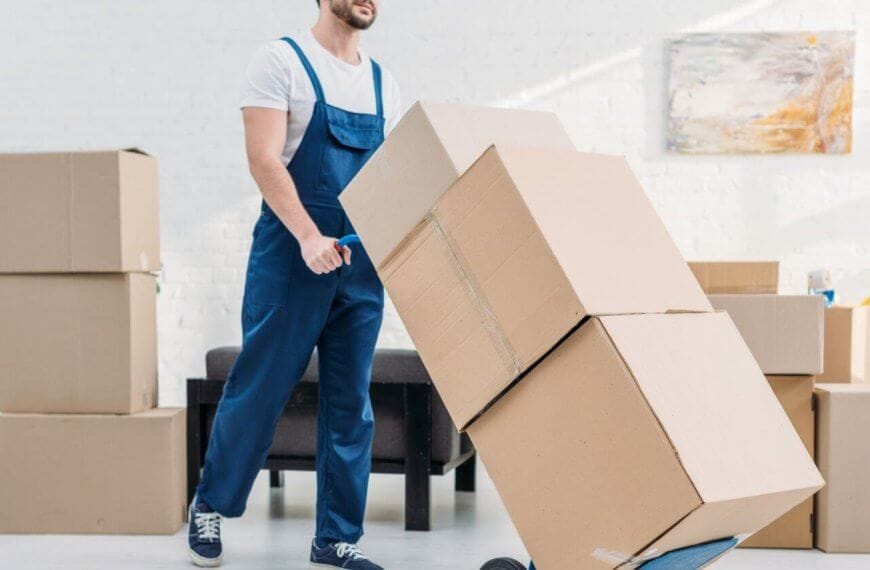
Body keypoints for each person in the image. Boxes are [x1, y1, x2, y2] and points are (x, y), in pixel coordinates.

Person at [187, 0, 400, 567]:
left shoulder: (384, 85)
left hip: (358, 262)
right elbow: (263, 159)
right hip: (291, 253)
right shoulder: (280, 61)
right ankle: (211, 504)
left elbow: (385, 180)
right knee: (261, 387)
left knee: (351, 401)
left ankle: (335, 537)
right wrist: (308, 237)